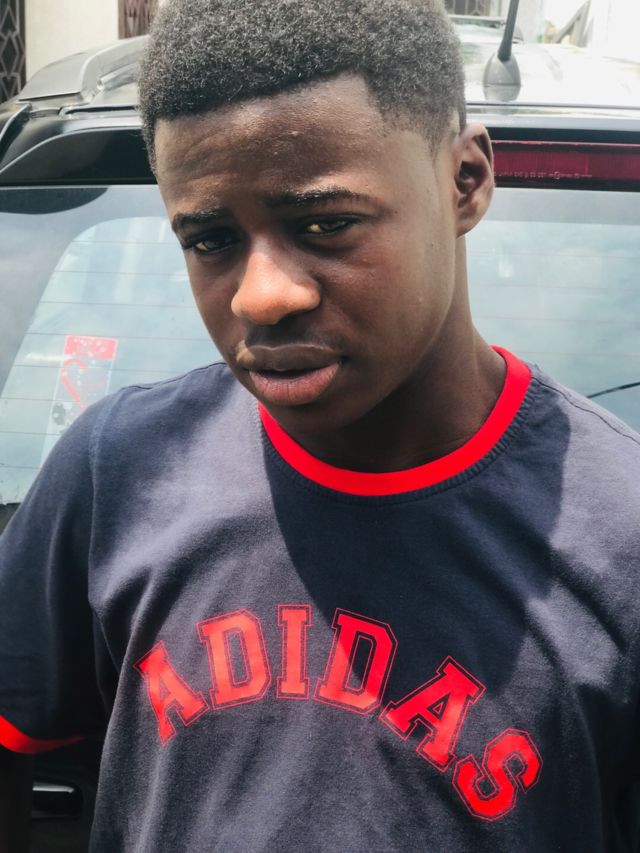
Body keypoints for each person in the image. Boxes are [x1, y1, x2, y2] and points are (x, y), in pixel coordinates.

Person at [1, 0, 639, 850]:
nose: (263, 295)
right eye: (211, 240)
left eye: (326, 224)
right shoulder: (117, 470)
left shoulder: (622, 536)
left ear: (466, 181)